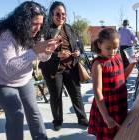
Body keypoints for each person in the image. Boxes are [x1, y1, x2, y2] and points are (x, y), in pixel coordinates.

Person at [0, 1, 61, 140]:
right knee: (16, 114)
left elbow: (43, 58)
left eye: (40, 24)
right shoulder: (6, 35)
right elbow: (9, 68)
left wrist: (48, 51)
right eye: (34, 24)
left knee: (34, 112)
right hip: (1, 80)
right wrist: (34, 51)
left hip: (23, 79)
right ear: (22, 21)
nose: (38, 28)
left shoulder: (37, 33)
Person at [39, 1, 88, 131]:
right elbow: (41, 52)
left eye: (63, 14)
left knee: (76, 93)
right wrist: (57, 55)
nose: (61, 17)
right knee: (56, 96)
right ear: (51, 15)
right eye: (58, 14)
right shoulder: (45, 30)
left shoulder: (69, 28)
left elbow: (78, 44)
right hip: (53, 69)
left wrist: (77, 51)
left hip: (71, 67)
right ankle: (58, 121)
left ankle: (82, 118)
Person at [88, 28, 136, 140]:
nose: (112, 52)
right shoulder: (98, 64)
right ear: (99, 45)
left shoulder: (118, 58)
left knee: (120, 135)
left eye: (115, 48)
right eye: (108, 48)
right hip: (107, 108)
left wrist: (132, 65)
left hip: (120, 105)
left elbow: (122, 78)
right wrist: (106, 117)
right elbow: (97, 91)